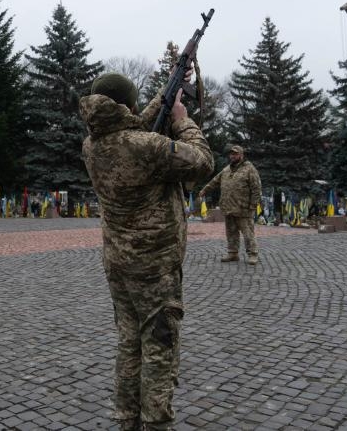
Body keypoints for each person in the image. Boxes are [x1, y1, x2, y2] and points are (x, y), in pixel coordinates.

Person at [80, 72, 213, 431]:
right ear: (128, 104)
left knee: (129, 342)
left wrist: (167, 91)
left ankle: (126, 418)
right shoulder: (144, 146)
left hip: (118, 262)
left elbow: (134, 126)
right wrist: (183, 119)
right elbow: (202, 161)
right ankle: (155, 423)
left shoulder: (92, 145)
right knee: (159, 345)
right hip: (154, 264)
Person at [199, 145, 262, 265]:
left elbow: (256, 189)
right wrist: (204, 190)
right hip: (228, 207)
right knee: (231, 232)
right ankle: (233, 253)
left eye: (235, 154)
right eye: (231, 154)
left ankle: (253, 254)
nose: (232, 156)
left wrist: (253, 205)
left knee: (248, 233)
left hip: (244, 208)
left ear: (241, 155)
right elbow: (215, 181)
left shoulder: (249, 169)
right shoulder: (226, 169)